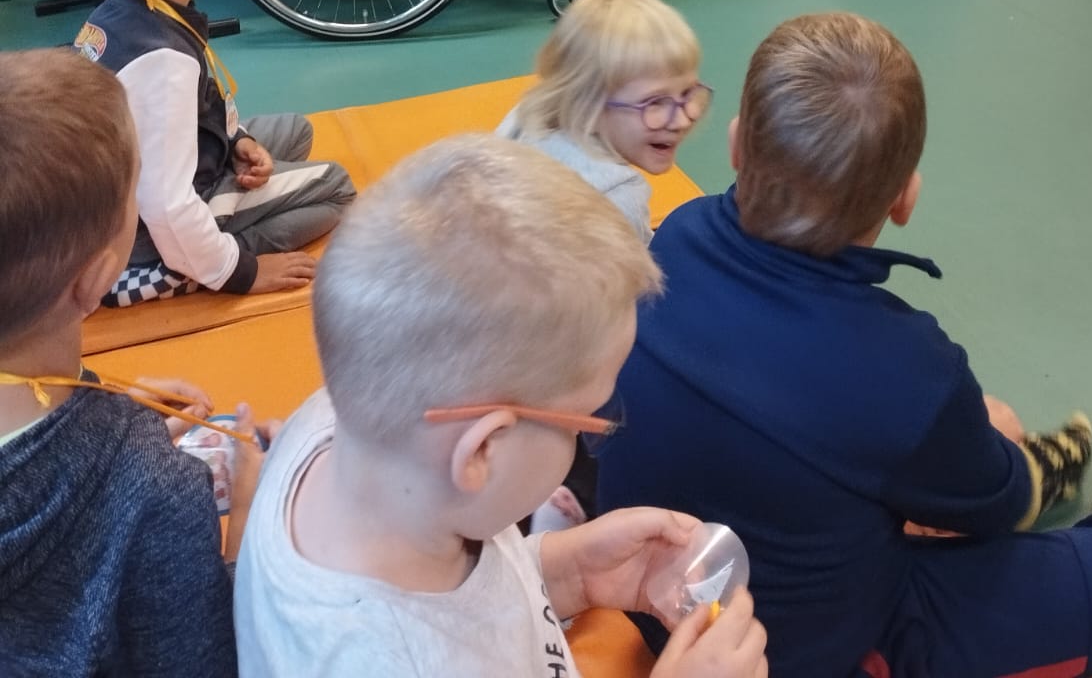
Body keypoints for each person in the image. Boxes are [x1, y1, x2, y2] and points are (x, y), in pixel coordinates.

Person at [597, 11, 1092, 678]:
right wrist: (1000, 461)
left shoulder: (673, 236)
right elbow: (995, 510)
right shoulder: (910, 371)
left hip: (644, 595)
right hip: (797, 650)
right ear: (904, 198)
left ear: (738, 144)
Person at [234, 134, 768, 678]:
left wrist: (570, 573)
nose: (591, 437)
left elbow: (470, 609)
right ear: (482, 451)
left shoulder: (337, 424)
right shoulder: (375, 662)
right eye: (587, 421)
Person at [0, 48, 254, 676]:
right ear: (100, 279)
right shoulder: (156, 490)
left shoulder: (131, 460)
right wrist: (248, 534)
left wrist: (98, 412)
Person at [75, 0, 356, 305]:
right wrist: (240, 273)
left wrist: (237, 139)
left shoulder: (129, 9)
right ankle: (191, 267)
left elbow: (193, 107)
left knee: (296, 131)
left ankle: (214, 216)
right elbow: (166, 202)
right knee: (337, 188)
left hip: (130, 185)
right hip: (143, 232)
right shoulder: (163, 62)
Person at [500, 0, 707, 245]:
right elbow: (636, 269)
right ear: (587, 104)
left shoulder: (524, 119)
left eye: (688, 92)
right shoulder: (617, 199)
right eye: (654, 103)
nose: (682, 119)